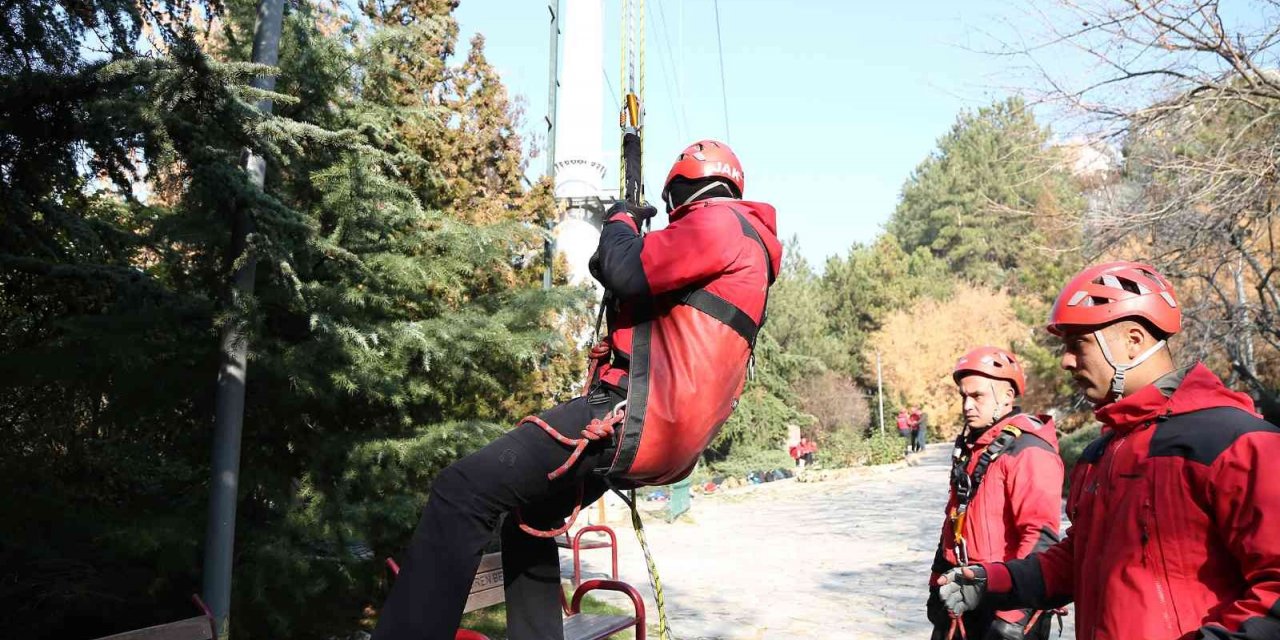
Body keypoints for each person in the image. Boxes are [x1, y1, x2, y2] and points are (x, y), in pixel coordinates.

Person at [373, 140, 781, 640]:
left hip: (626, 417)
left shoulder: (718, 224)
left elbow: (622, 269)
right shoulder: (751, 254)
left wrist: (620, 219)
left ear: (682, 194)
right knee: (531, 514)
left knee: (462, 491)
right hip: (663, 438)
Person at [939, 261, 1280, 640]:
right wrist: (996, 579)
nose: (1066, 361)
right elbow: (1077, 559)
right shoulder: (1101, 453)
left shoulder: (1236, 442)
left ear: (1134, 340)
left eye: (1078, 344)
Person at [926, 346, 1064, 640]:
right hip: (961, 597)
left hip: (1004, 604)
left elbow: (1039, 539)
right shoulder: (973, 449)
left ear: (1007, 397)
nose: (967, 406)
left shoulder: (1028, 451)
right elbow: (954, 521)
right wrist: (935, 584)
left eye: (977, 396)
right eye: (963, 396)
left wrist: (1012, 618)